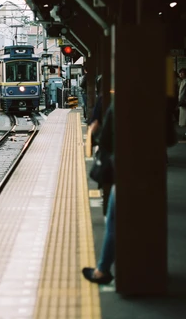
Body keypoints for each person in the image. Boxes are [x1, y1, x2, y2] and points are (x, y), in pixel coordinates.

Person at [83, 102, 115, 285]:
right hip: (153, 174)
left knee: (114, 222)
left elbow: (104, 140)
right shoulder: (158, 102)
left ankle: (102, 271)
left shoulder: (115, 104)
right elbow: (170, 138)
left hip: (124, 172)